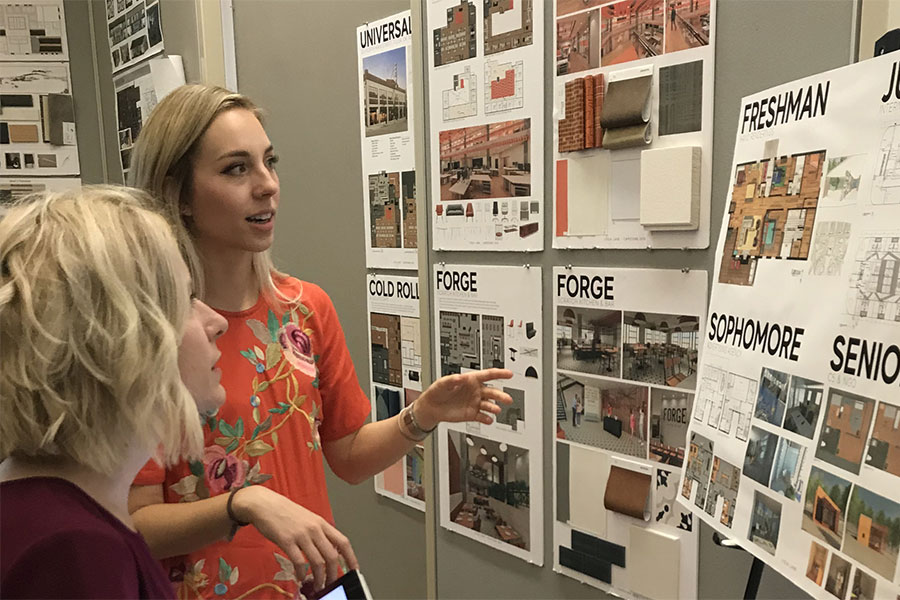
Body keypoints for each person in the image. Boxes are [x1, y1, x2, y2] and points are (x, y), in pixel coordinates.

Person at [126, 84, 513, 599]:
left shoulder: (305, 310)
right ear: (179, 195)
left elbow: (348, 455)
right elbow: (137, 527)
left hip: (314, 588)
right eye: (236, 169)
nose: (267, 185)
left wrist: (421, 415)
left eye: (269, 162)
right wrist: (243, 504)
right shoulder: (152, 334)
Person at [0, 186, 228, 598]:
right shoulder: (73, 552)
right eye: (186, 298)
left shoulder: (47, 511)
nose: (215, 321)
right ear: (122, 340)